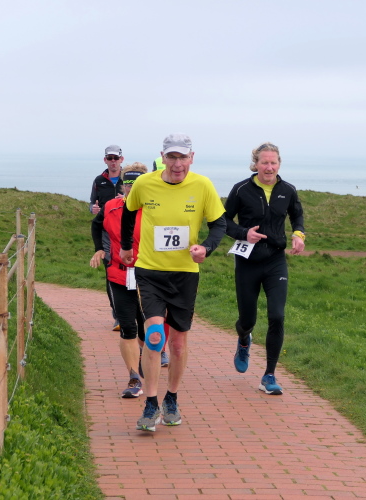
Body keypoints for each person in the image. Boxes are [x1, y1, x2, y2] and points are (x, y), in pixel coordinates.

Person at [120, 133, 226, 432]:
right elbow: (128, 214)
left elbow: (218, 224)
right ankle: (151, 402)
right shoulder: (145, 183)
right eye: (172, 157)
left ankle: (172, 398)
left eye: (183, 157)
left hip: (184, 274)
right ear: (163, 157)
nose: (177, 163)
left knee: (178, 343)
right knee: (155, 335)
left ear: (192, 157)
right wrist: (126, 247)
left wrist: (206, 248)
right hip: (150, 270)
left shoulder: (203, 185)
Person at [224, 142, 305, 395]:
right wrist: (243, 233)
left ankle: (269, 375)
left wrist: (298, 234)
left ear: (279, 164)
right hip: (247, 261)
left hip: (275, 261)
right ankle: (244, 339)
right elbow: (223, 221)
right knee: (247, 320)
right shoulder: (241, 189)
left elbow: (297, 216)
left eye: (273, 162)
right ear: (255, 164)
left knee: (277, 316)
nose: (269, 167)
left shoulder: (287, 190)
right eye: (264, 162)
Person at [91, 163, 148, 398]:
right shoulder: (112, 206)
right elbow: (96, 225)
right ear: (123, 185)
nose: (131, 188)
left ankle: (148, 355)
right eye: (128, 183)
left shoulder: (155, 210)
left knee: (146, 325)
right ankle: (134, 377)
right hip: (119, 273)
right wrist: (99, 249)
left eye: (137, 183)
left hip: (149, 275)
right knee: (127, 325)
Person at [90, 145, 125, 331]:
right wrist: (93, 209)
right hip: (106, 231)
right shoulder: (99, 180)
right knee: (111, 270)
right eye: (109, 158)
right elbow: (92, 203)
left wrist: (125, 198)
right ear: (105, 160)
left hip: (128, 230)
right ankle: (118, 315)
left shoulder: (128, 179)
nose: (113, 161)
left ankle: (134, 312)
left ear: (121, 159)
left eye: (115, 158)